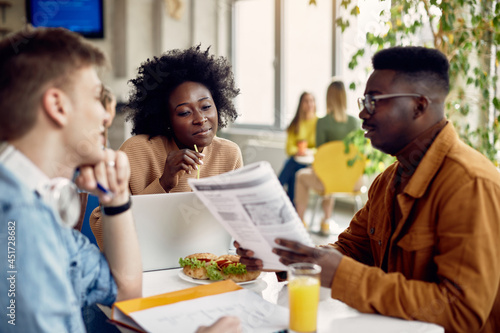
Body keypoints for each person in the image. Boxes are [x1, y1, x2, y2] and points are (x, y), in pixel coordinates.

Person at [237, 46, 500, 333]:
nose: (362, 112)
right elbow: (351, 249)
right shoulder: (387, 181)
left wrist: (343, 275)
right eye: (364, 100)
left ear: (419, 106)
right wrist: (287, 259)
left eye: (374, 101)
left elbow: (461, 312)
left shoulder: (469, 185)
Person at [0, 27, 240, 333]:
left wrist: (116, 200)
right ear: (58, 106)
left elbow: (123, 293)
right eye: (96, 98)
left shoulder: (36, 205)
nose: (106, 116)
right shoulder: (19, 222)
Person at [90, 45, 243, 249]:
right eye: (184, 113)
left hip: (209, 266)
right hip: (148, 269)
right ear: (166, 119)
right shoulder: (136, 151)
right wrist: (164, 183)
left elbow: (239, 227)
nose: (200, 118)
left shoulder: (229, 154)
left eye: (206, 106)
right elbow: (103, 230)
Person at [294, 80, 360, 235]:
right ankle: (326, 220)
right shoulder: (355, 122)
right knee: (334, 174)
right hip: (353, 180)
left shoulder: (323, 122)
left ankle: (300, 222)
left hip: (328, 180)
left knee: (301, 176)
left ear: (328, 98)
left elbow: (321, 154)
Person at [278, 92, 317, 204]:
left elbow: (320, 147)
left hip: (311, 162)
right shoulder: (295, 124)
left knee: (291, 166)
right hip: (297, 160)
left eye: (311, 100)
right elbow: (289, 148)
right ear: (301, 104)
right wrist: (299, 151)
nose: (309, 104)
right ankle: (292, 205)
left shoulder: (319, 123)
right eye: (306, 101)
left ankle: (278, 187)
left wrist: (307, 152)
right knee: (293, 169)